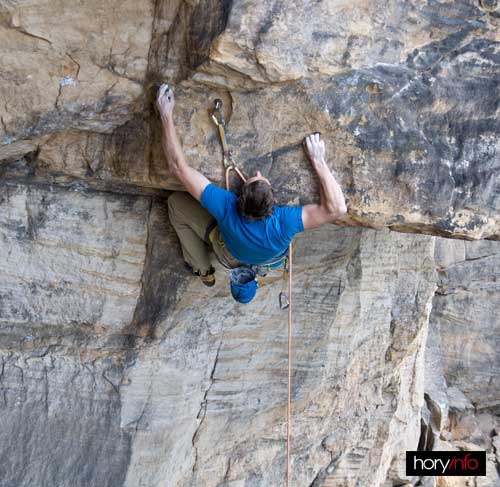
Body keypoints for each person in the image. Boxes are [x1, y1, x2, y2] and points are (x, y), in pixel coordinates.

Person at [157, 83, 347, 300]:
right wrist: (318, 161)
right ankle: (220, 269)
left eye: (255, 177)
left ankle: (203, 269)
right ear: (274, 200)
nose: (256, 171)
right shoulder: (284, 222)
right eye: (260, 176)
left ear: (238, 197)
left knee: (175, 203)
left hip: (232, 251)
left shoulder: (226, 206)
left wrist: (166, 114)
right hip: (262, 256)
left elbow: (178, 168)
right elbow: (337, 209)